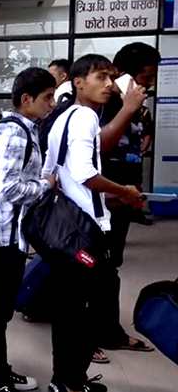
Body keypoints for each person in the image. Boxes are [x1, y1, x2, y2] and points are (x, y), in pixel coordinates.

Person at [41, 54, 143, 392]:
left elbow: (54, 173)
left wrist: (104, 195)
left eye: (111, 78)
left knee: (67, 308)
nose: (109, 85)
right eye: (101, 77)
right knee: (96, 308)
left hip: (64, 228)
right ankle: (72, 381)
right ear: (78, 83)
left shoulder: (63, 117)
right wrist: (123, 191)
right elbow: (85, 173)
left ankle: (62, 381)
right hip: (86, 230)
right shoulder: (85, 116)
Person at [0, 68, 57, 392]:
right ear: (26, 99)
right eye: (47, 97)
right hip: (2, 238)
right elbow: (8, 189)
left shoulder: (20, 128)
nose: (52, 103)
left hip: (5, 234)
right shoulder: (14, 133)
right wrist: (46, 185)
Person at [90, 43, 159, 363]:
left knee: (110, 267)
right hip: (100, 201)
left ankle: (108, 331)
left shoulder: (139, 107)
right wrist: (113, 191)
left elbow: (134, 152)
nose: (150, 84)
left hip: (123, 201)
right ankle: (86, 335)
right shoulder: (104, 104)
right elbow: (98, 148)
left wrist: (135, 189)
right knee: (91, 268)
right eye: (146, 77)